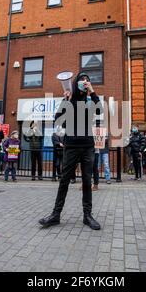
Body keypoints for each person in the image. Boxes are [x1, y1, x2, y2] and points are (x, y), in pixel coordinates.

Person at [39, 72, 102, 230]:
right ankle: (55, 215)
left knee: (87, 181)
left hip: (87, 145)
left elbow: (100, 110)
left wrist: (92, 91)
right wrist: (64, 100)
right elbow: (58, 119)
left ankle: (87, 216)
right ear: (76, 83)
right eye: (82, 79)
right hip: (71, 146)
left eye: (87, 80)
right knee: (64, 180)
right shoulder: (69, 100)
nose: (85, 81)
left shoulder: (89, 101)